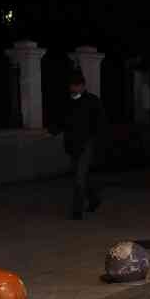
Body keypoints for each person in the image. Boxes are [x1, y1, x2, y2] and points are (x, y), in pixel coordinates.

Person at [49, 69, 107, 219]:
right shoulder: (67, 102)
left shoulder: (93, 101)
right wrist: (52, 131)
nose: (74, 89)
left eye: (77, 86)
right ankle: (94, 199)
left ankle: (77, 211)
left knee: (79, 177)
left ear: (82, 86)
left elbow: (100, 123)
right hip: (72, 144)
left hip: (87, 143)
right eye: (72, 86)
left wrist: (97, 142)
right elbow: (62, 121)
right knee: (80, 175)